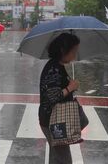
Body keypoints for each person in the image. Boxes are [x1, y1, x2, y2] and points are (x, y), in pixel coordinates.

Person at [39, 33, 80, 164]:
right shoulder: (54, 69)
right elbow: (52, 96)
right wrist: (70, 88)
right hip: (54, 120)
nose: (75, 55)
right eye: (73, 51)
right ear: (63, 50)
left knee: (56, 157)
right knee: (64, 160)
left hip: (53, 118)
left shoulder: (57, 66)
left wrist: (69, 86)